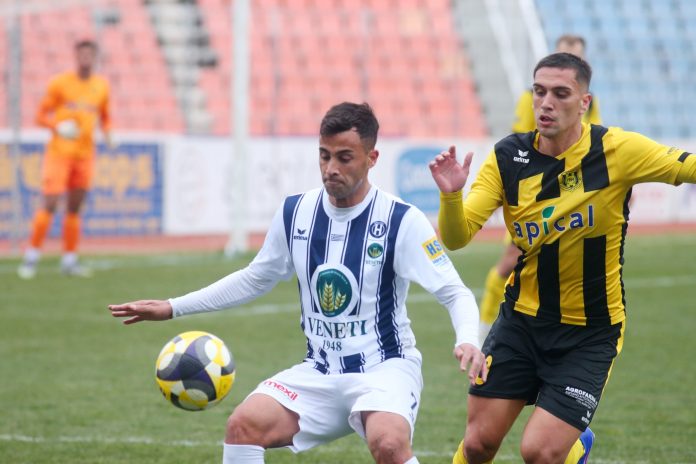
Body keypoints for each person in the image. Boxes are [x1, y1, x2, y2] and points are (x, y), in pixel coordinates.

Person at [109, 102, 487, 464]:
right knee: (242, 427)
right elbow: (255, 278)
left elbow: (453, 291)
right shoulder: (296, 212)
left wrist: (468, 338)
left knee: (387, 444)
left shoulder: (401, 220)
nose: (330, 168)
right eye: (324, 156)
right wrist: (172, 307)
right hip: (319, 370)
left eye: (344, 157)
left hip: (384, 369)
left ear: (372, 158)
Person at [430, 52, 696, 463]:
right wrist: (451, 196)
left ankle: (576, 445)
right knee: (479, 444)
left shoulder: (617, 150)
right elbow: (456, 236)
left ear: (584, 102)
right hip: (521, 322)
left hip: (590, 333)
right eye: (539, 92)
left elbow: (688, 167)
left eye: (560, 93)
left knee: (540, 452)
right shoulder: (508, 158)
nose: (546, 103)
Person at [479, 34, 603, 344]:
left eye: (578, 56)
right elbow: (519, 145)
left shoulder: (590, 101)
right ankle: (484, 329)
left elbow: (597, 142)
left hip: (573, 195)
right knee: (510, 263)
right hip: (535, 194)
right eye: (566, 54)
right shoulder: (530, 98)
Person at [17, 39, 112, 279]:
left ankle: (69, 261)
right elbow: (40, 116)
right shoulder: (60, 83)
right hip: (59, 153)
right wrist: (57, 127)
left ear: (95, 58)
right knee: (49, 204)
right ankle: (31, 257)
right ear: (76, 57)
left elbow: (105, 116)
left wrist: (109, 133)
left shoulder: (101, 86)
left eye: (90, 55)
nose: (86, 59)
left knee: (74, 208)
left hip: (85, 155)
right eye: (82, 54)